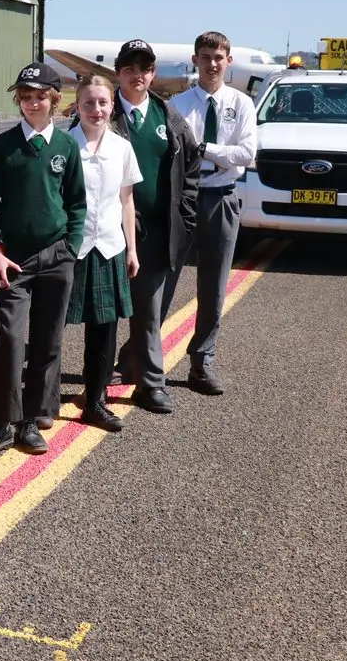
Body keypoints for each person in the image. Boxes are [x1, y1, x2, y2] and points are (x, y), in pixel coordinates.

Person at [0, 62, 87, 458]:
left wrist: (70, 247)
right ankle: (2, 424)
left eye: (40, 96)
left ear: (54, 100)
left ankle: (32, 421)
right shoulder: (5, 145)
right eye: (25, 97)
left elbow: (77, 203)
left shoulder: (66, 146)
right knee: (11, 339)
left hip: (57, 256)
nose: (32, 103)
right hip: (14, 261)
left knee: (48, 341)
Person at [108, 40, 200, 414]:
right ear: (118, 72)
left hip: (157, 232)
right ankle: (99, 380)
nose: (137, 75)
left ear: (153, 73)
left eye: (144, 68)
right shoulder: (101, 113)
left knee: (149, 312)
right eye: (129, 68)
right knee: (104, 310)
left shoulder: (169, 118)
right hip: (109, 231)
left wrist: (185, 217)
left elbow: (191, 168)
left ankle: (150, 384)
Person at [167, 31, 259, 395]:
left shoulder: (242, 104)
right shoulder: (177, 105)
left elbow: (246, 154)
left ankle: (202, 363)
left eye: (219, 57)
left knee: (214, 288)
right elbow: (172, 152)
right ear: (195, 60)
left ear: (228, 61)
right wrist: (223, 153)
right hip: (184, 200)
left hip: (221, 198)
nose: (212, 64)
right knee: (162, 282)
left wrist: (205, 148)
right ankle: (137, 358)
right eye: (205, 57)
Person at [64, 76, 141, 432]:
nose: (96, 109)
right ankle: (42, 403)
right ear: (77, 106)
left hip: (109, 247)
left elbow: (127, 201)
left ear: (112, 106)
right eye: (89, 103)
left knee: (104, 332)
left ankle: (95, 402)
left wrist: (132, 249)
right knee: (51, 328)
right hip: (70, 247)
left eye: (103, 103)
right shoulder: (64, 144)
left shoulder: (122, 148)